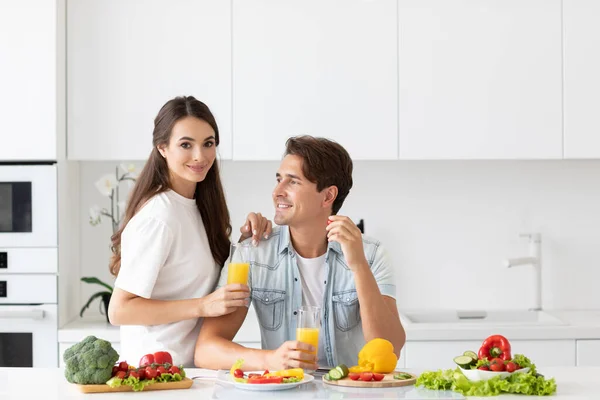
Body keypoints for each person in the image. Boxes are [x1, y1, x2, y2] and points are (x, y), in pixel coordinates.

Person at [194, 135, 405, 371]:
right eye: (279, 179)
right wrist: (270, 360)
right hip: (283, 390)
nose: (277, 191)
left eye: (292, 182)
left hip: (350, 390)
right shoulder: (253, 254)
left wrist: (358, 266)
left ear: (327, 196)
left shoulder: (371, 254)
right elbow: (206, 350)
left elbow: (390, 347)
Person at [107, 96, 271, 367]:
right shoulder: (159, 216)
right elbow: (120, 310)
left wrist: (246, 242)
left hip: (188, 375)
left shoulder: (199, 207)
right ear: (162, 147)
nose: (200, 156)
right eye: (186, 144)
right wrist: (202, 305)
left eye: (208, 143)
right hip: (153, 376)